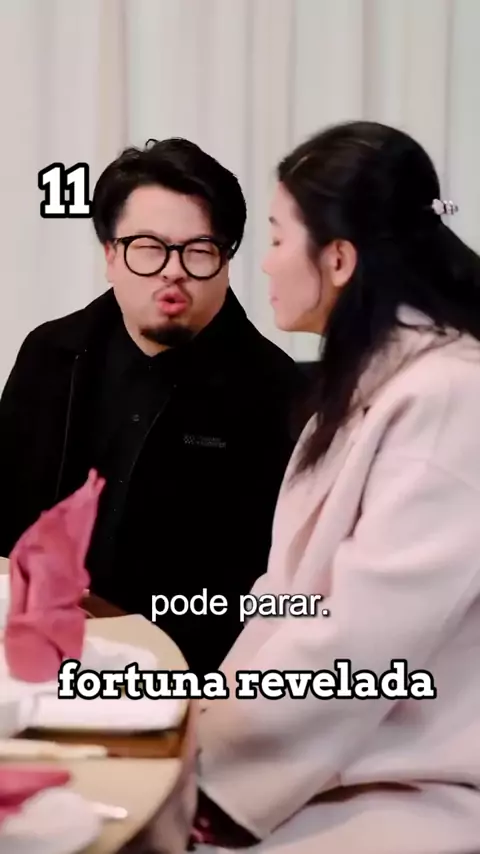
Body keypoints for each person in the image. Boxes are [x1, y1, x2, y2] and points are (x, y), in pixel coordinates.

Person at [191, 121, 480, 853]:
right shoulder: (363, 386)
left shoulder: (450, 395)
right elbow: (286, 595)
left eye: (277, 238)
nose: (264, 263)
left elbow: (357, 642)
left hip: (411, 788)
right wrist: (205, 719)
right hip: (333, 764)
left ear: (340, 258)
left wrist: (208, 759)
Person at [0, 138, 305, 674]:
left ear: (226, 259)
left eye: (198, 250)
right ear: (110, 255)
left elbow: (272, 589)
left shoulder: (277, 391)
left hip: (187, 674)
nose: (172, 271)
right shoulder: (51, 354)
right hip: (33, 656)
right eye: (147, 247)